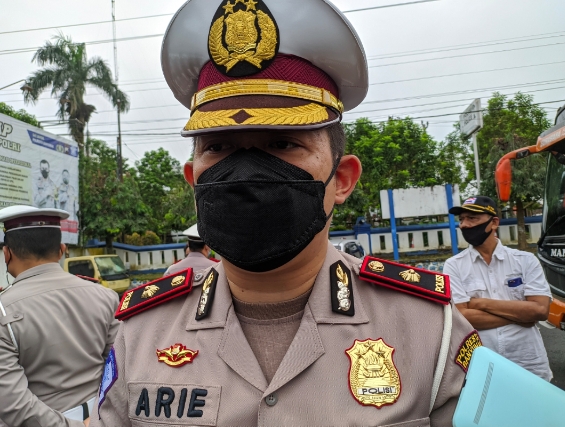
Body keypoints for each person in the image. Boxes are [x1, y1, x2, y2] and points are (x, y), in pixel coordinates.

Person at [93, 1, 477, 425]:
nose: (246, 171)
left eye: (282, 143)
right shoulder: (139, 332)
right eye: (218, 147)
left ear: (342, 179)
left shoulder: (428, 331)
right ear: (192, 178)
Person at [0, 205, 120, 426]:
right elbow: (119, 368)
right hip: (102, 417)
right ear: (62, 250)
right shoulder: (106, 296)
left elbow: (13, 403)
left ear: (7, 253)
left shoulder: (4, 309)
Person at [443, 195, 552, 381]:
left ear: (494, 222)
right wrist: (521, 316)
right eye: (461, 220)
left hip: (528, 363)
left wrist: (480, 303)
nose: (464, 225)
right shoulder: (454, 266)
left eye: (472, 218)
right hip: (483, 365)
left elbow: (540, 310)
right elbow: (462, 317)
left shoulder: (525, 261)